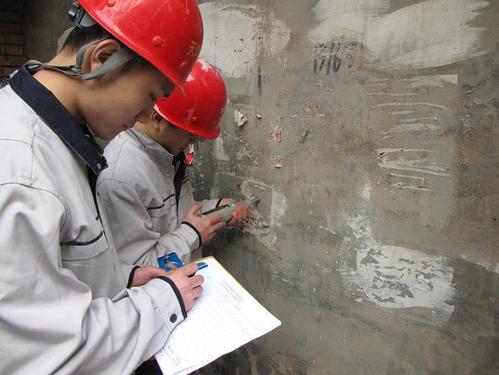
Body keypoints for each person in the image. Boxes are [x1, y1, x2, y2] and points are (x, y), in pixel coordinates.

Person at [0, 0, 206, 373]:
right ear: (101, 58)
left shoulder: (61, 141)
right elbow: (40, 356)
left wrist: (122, 278)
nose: (148, 116)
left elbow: (57, 273)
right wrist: (165, 300)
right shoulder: (21, 172)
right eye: (151, 97)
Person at [96, 59, 250, 269]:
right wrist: (194, 233)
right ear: (158, 119)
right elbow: (137, 271)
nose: (193, 142)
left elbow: (172, 217)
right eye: (190, 133)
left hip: (180, 289)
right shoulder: (120, 177)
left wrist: (216, 208)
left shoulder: (165, 153)